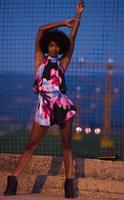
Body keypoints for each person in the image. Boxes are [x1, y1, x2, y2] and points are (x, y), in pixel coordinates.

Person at [4, 0, 85, 198]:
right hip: (44, 108)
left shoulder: (63, 63)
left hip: (62, 106)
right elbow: (41, 29)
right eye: (51, 44)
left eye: (57, 46)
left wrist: (78, 15)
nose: (54, 48)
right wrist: (63, 23)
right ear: (46, 46)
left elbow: (73, 38)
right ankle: (13, 179)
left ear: (60, 48)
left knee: (66, 144)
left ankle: (68, 183)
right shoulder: (39, 60)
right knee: (31, 144)